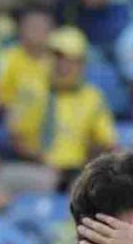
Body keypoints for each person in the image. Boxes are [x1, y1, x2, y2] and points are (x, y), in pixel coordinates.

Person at [8, 27, 117, 178]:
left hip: (78, 169)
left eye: (72, 61)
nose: (63, 66)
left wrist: (87, 163)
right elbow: (16, 138)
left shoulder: (93, 97)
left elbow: (107, 142)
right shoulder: (31, 91)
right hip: (35, 166)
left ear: (82, 65)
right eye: (58, 58)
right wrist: (40, 159)